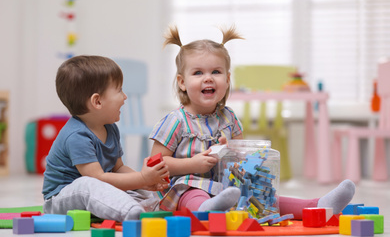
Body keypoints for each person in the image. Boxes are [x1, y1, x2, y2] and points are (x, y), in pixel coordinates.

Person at [149, 25, 355, 218]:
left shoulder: (229, 119)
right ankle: (207, 211)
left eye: (216, 72)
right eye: (198, 73)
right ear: (182, 82)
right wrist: (192, 164)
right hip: (188, 185)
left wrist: (231, 153)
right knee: (195, 194)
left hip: (227, 184)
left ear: (228, 80)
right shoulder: (176, 121)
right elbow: (157, 164)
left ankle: (317, 206)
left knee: (265, 198)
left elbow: (243, 155)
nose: (208, 78)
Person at [42, 55, 170, 222]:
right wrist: (141, 179)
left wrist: (144, 182)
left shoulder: (110, 128)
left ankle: (150, 205)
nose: (125, 97)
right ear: (97, 101)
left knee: (140, 189)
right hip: (61, 199)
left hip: (96, 192)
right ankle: (128, 211)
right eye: (119, 90)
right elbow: (98, 178)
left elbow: (118, 169)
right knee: (86, 184)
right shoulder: (76, 135)